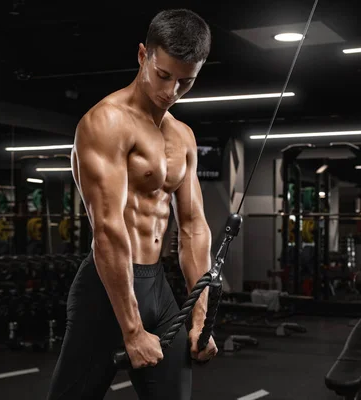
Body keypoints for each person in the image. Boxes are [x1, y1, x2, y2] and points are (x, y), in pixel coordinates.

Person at [46, 9, 217, 400]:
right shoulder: (106, 123)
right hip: (106, 291)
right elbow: (108, 228)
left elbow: (193, 226)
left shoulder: (184, 136)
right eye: (163, 75)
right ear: (143, 55)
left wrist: (201, 317)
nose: (172, 91)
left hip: (157, 286)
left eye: (186, 82)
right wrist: (132, 329)